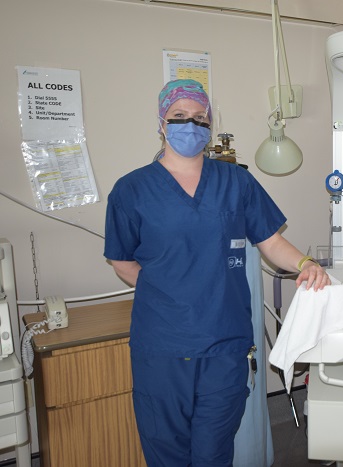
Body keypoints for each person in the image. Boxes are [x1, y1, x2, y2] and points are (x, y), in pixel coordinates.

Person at [104, 79, 330, 467]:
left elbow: (270, 242)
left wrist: (305, 264)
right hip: (162, 348)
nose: (190, 126)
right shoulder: (130, 190)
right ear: (161, 122)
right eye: (178, 117)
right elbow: (122, 261)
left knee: (214, 453)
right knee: (167, 452)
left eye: (199, 119)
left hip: (223, 343)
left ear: (210, 126)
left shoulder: (236, 182)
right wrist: (169, 290)